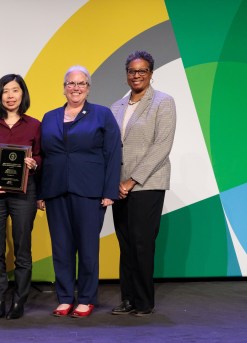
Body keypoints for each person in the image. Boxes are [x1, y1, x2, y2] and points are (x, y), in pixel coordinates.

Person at [37, 65, 121, 318]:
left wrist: (109, 191)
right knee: (61, 247)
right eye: (71, 83)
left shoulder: (102, 115)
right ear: (64, 88)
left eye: (81, 83)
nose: (76, 88)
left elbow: (113, 153)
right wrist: (41, 192)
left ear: (88, 88)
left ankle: (85, 298)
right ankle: (64, 298)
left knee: (87, 247)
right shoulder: (49, 117)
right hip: (55, 190)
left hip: (90, 191)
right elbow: (43, 155)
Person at [110, 51, 176, 317]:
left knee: (142, 244)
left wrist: (131, 181)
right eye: (132, 71)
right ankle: (128, 299)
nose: (136, 75)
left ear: (151, 73)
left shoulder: (163, 102)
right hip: (118, 187)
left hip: (146, 185)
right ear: (126, 74)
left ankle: (144, 302)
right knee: (125, 245)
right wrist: (115, 182)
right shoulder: (117, 106)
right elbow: (113, 147)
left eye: (142, 70)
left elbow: (162, 146)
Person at [0, 74, 41, 320]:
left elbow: (41, 156)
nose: (11, 95)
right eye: (5, 91)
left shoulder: (34, 125)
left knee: (22, 250)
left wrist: (33, 163)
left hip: (25, 194)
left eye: (15, 90)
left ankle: (19, 301)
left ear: (22, 94)